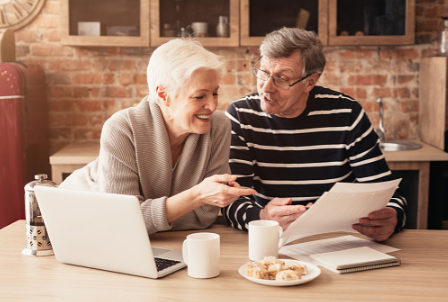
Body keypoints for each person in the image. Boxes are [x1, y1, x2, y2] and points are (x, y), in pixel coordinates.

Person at [223, 27, 406, 242]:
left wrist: (393, 215)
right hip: (272, 239)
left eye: (282, 78)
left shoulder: (346, 113)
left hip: (338, 238)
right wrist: (261, 216)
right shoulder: (241, 115)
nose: (267, 88)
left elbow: (385, 192)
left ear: (310, 82)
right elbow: (231, 200)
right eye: (263, 72)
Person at [60, 39, 256, 234]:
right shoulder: (121, 128)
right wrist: (196, 196)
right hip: (72, 222)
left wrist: (144, 216)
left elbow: (204, 216)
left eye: (215, 93)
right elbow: (121, 222)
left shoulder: (218, 126)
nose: (212, 106)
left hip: (147, 240)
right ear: (163, 95)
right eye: (199, 96)